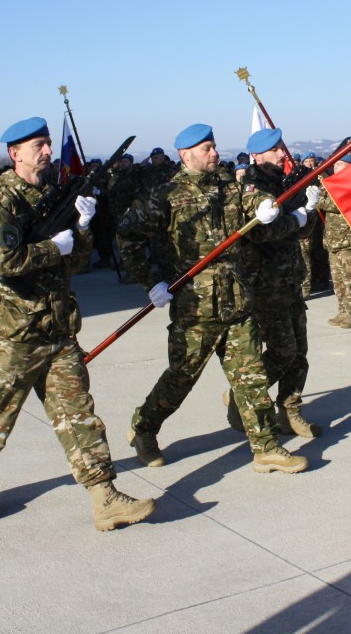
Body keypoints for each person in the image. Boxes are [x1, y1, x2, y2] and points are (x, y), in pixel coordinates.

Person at [0, 116, 152, 531]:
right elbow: (2, 262)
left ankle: (104, 496)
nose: (47, 151)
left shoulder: (54, 195)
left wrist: (81, 228)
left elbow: (76, 262)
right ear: (15, 154)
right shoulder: (3, 204)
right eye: (38, 145)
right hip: (15, 332)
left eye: (47, 143)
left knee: (78, 413)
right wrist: (49, 247)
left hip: (57, 328)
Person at [117, 123, 308, 474]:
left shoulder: (227, 186)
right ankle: (144, 428)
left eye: (215, 146)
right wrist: (151, 281)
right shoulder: (166, 194)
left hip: (236, 302)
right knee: (181, 378)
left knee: (250, 378)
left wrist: (266, 205)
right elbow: (128, 236)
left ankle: (265, 447)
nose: (215, 153)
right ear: (185, 154)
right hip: (195, 308)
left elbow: (251, 197)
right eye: (207, 149)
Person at [236, 127, 323, 437]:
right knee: (282, 350)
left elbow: (301, 232)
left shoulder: (283, 183)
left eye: (281, 148)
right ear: (257, 155)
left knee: (299, 351)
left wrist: (308, 212)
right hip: (263, 283)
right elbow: (258, 232)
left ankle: (291, 411)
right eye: (274, 150)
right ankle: (244, 395)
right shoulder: (250, 189)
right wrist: (295, 217)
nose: (281, 154)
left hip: (290, 279)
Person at [318, 155, 351, 328]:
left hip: (349, 242)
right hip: (333, 241)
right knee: (338, 281)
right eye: (335, 164)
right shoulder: (333, 183)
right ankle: (342, 310)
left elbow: (335, 204)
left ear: (348, 166)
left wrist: (318, 198)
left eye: (339, 164)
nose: (335, 167)